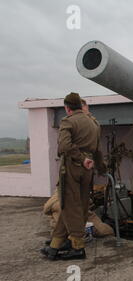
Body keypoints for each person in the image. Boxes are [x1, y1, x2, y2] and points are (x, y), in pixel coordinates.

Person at [40, 92, 101, 260]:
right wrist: (97, 165)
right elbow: (97, 148)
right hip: (88, 168)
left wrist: (81, 159)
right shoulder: (94, 123)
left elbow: (64, 146)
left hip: (73, 167)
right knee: (77, 206)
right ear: (81, 106)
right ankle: (56, 243)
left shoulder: (68, 121)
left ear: (67, 108)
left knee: (70, 206)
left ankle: (77, 246)